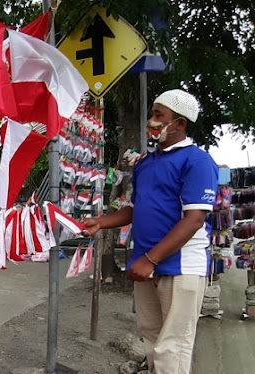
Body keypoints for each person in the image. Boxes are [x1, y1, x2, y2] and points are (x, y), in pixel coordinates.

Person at [82, 89, 218, 374]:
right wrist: (102, 222)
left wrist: (151, 259)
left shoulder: (197, 162)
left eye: (159, 116)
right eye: (152, 114)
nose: (151, 122)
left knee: (173, 349)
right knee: (153, 340)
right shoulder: (146, 163)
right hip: (146, 265)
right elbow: (134, 208)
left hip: (179, 267)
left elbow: (193, 220)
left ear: (179, 124)